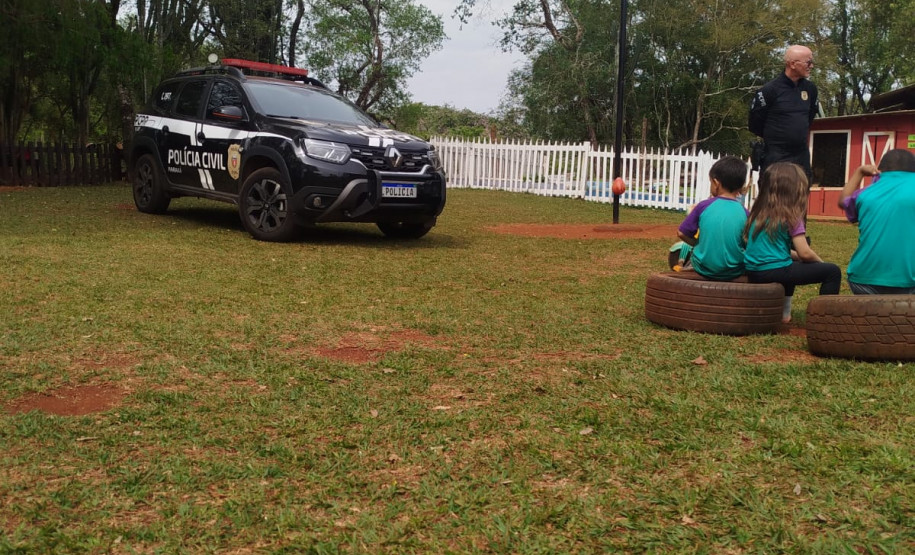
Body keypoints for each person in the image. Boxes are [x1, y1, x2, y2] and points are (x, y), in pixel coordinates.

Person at [744, 162, 841, 322]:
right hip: (776, 270)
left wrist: (796, 257)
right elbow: (805, 253)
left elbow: (775, 251)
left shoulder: (758, 214)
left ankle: (785, 313)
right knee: (832, 272)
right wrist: (820, 263)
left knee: (789, 264)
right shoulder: (791, 216)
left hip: (754, 271)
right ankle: (826, 319)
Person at [838, 149, 915, 294]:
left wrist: (860, 172)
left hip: (864, 280)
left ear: (880, 172)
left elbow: (843, 201)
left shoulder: (865, 194)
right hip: (910, 280)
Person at [748, 45, 819, 183]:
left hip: (800, 154)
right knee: (772, 195)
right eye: (808, 62)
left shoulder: (810, 89)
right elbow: (755, 123)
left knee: (801, 195)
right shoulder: (769, 90)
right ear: (792, 64)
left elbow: (809, 117)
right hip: (775, 154)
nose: (812, 66)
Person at [675, 156, 750, 280]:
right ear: (741, 187)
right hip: (735, 270)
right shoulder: (745, 212)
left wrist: (698, 244)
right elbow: (749, 243)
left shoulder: (704, 206)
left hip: (703, 268)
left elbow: (681, 233)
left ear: (716, 183)